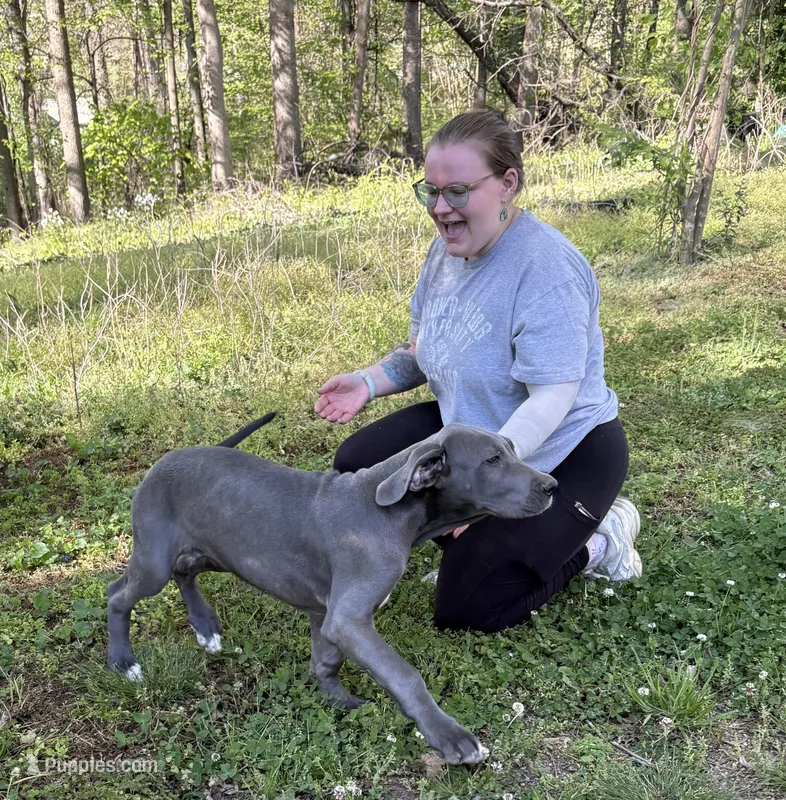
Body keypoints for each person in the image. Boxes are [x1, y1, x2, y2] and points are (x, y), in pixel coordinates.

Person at [314, 108, 642, 633]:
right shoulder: (446, 253)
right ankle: (466, 535)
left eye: (459, 192)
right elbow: (428, 348)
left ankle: (602, 541)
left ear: (507, 184)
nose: (441, 209)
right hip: (470, 432)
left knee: (467, 605)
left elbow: (551, 400)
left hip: (567, 451)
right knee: (361, 464)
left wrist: (483, 494)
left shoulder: (546, 269)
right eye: (431, 192)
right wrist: (369, 381)